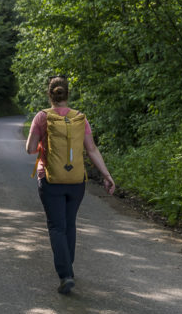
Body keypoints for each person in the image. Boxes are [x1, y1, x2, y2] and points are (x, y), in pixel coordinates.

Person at [25, 75, 115, 294]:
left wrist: (46, 148)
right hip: (76, 181)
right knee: (69, 224)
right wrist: (106, 175)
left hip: (50, 179)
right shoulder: (79, 119)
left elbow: (30, 148)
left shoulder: (41, 117)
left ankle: (65, 275)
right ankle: (69, 269)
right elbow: (91, 149)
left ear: (50, 94)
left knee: (56, 226)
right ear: (68, 93)